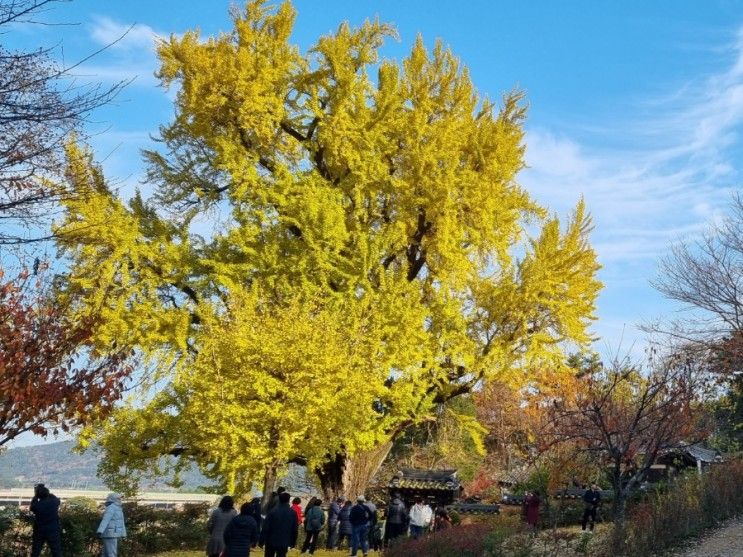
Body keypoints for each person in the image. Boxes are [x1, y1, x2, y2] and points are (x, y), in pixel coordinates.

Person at [260, 491, 298, 557]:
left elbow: (265, 527)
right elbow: (294, 529)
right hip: (284, 540)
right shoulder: (293, 513)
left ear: (279, 499)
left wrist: (261, 541)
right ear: (288, 500)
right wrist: (293, 542)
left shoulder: (272, 511)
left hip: (271, 540)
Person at [30, 484, 62, 557]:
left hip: (39, 530)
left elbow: (32, 507)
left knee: (35, 551)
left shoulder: (37, 506)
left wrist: (36, 495)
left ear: (38, 495)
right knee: (57, 551)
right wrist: (46, 492)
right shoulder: (54, 502)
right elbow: (55, 498)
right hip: (53, 530)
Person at [97, 493, 127, 557]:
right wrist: (100, 530)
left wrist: (123, 533)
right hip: (109, 534)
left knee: (106, 553)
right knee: (111, 553)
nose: (120, 500)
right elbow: (106, 520)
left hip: (112, 534)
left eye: (120, 498)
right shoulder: (112, 508)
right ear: (113, 499)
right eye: (118, 498)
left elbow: (122, 522)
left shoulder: (118, 508)